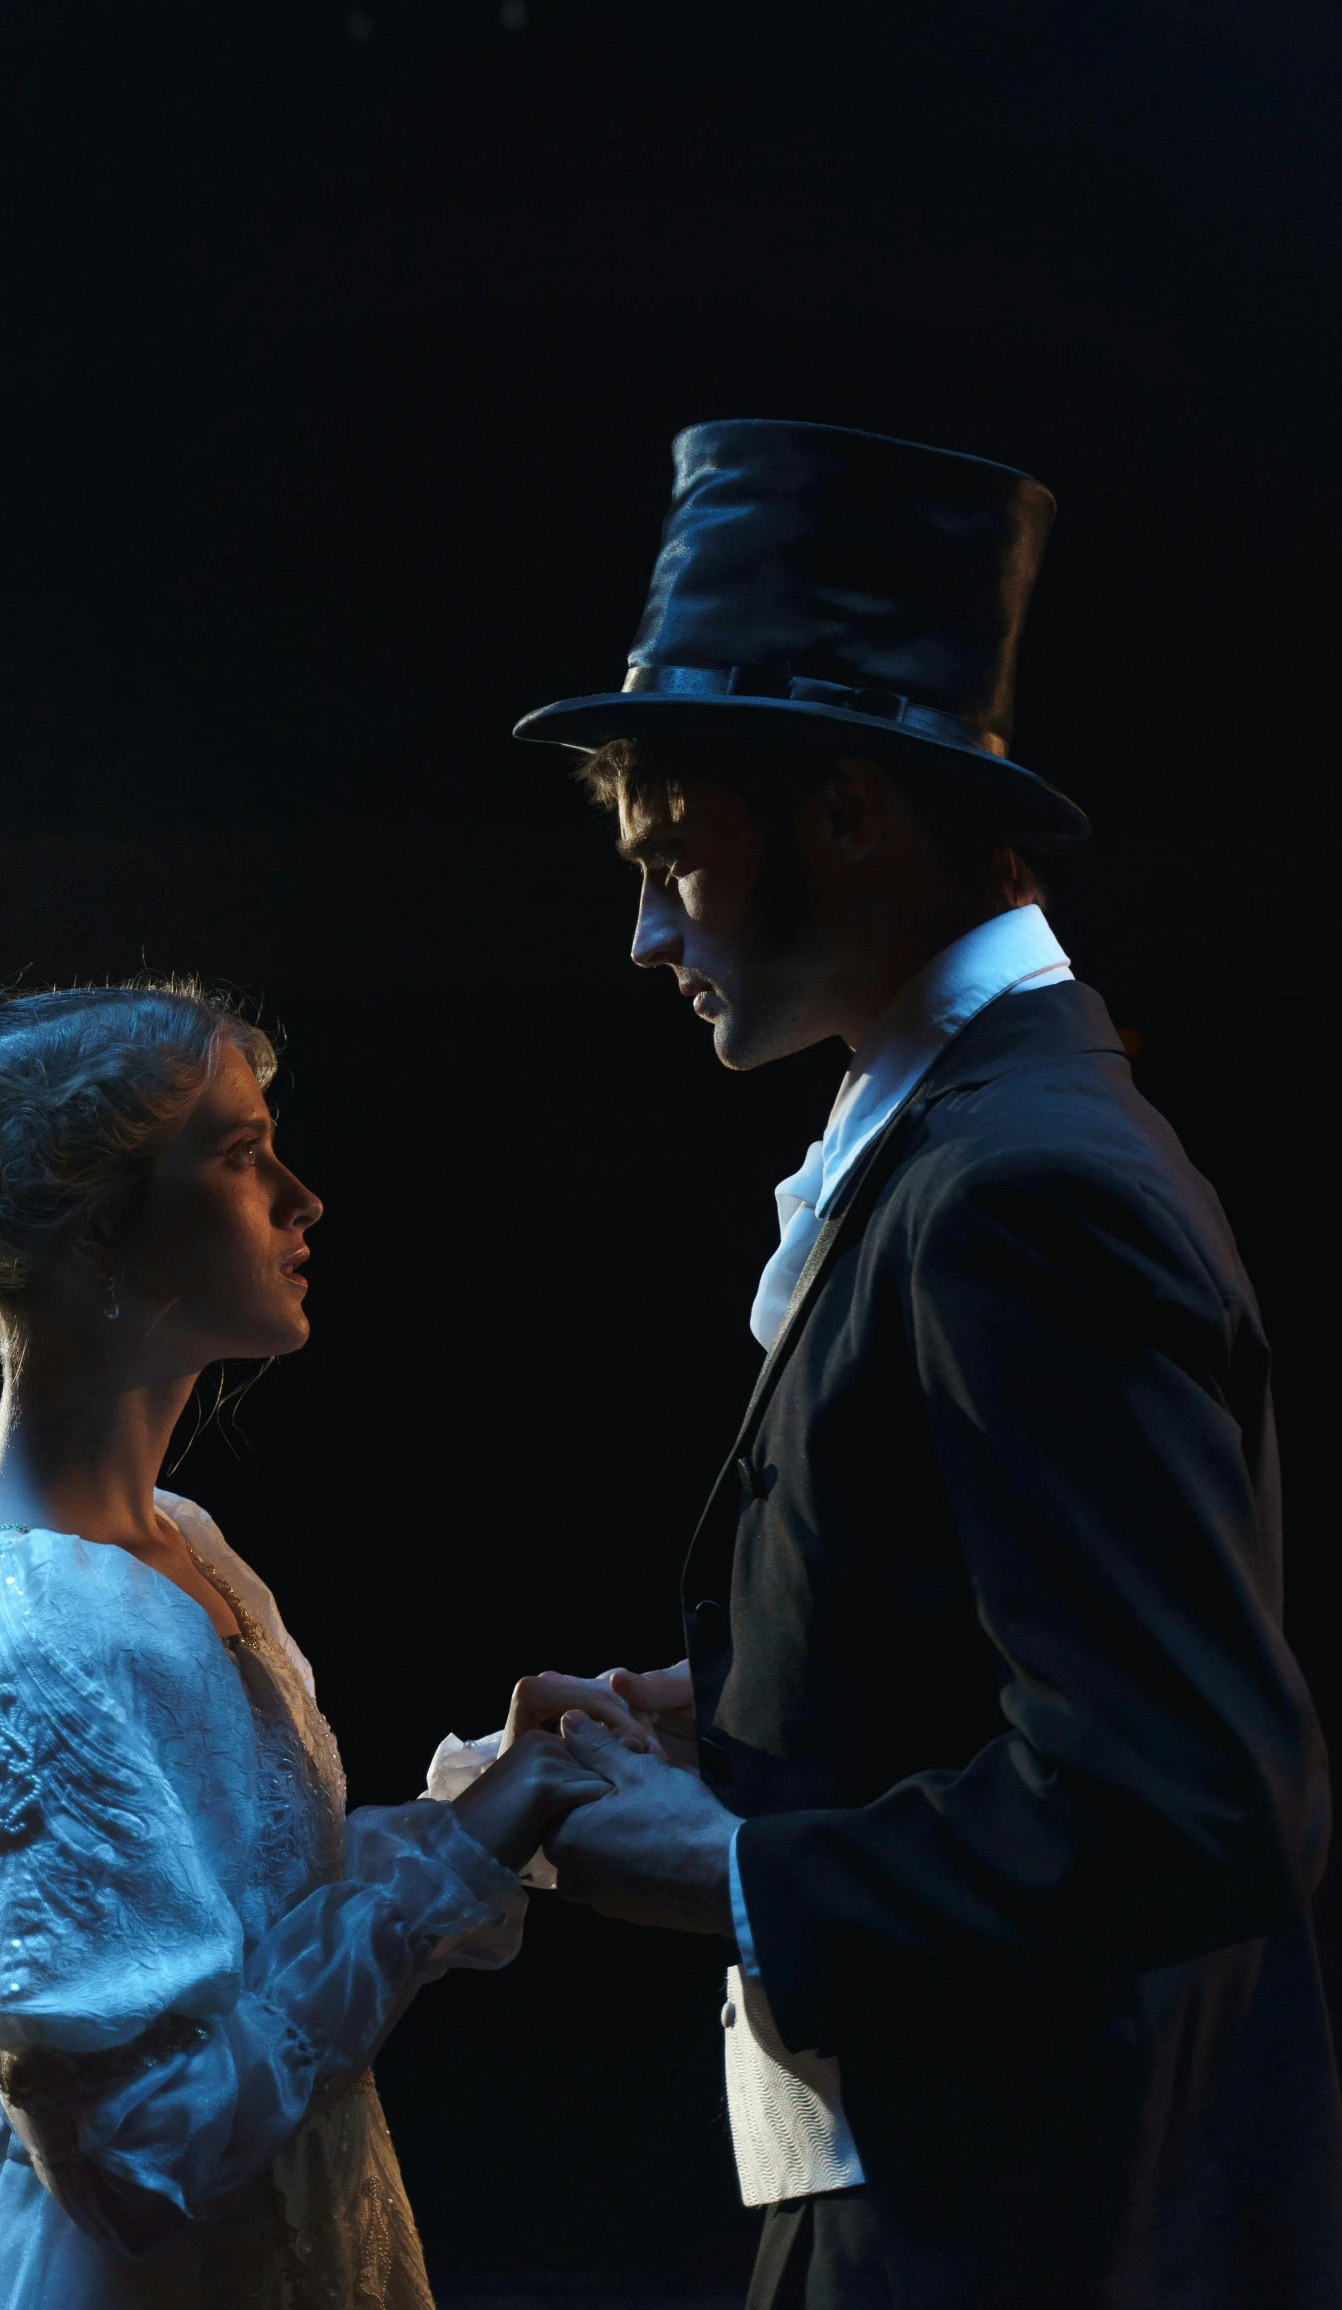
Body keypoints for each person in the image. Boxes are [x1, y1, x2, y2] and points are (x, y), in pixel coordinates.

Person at [446, 421, 1342, 2307]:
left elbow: (1193, 1801)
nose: (644, 928)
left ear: (847, 812)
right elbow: (1011, 1641)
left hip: (1023, 2225)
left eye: (674, 855)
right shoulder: (963, 1135)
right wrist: (745, 1699)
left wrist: (727, 1861)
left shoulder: (1014, 1190)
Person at [0, 949, 613, 2310]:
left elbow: (266, 1941)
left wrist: (496, 1788)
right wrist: (466, 1845)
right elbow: (133, 2157)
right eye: (242, 1155)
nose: (303, 1199)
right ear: (99, 1231)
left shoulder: (182, 1540)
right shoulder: (21, 1630)